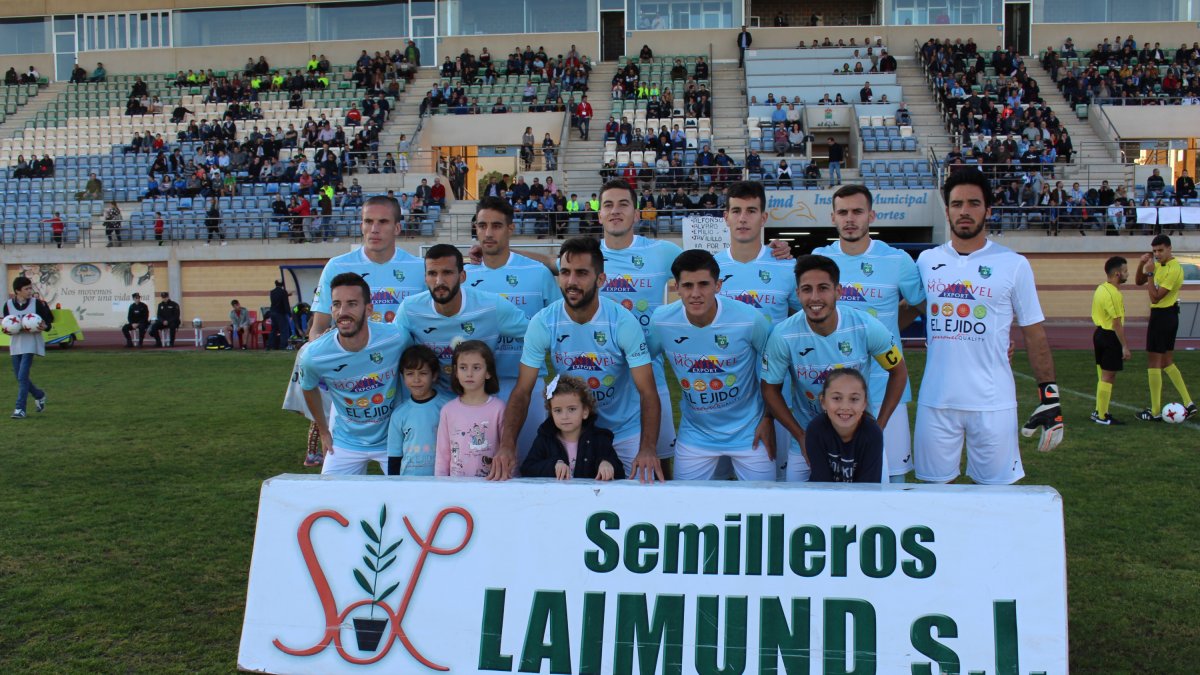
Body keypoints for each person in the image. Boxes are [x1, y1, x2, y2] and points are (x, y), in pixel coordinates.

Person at [915, 169, 1062, 485]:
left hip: (993, 403)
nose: (964, 211)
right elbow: (907, 309)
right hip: (936, 401)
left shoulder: (1014, 264)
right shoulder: (926, 261)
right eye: (957, 204)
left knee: (997, 498)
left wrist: (1050, 398)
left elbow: (1034, 334)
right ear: (947, 211)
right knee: (933, 497)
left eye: (973, 203)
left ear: (988, 210)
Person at [499, 237, 663, 482]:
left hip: (623, 430)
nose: (571, 281)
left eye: (582, 273)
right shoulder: (543, 322)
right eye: (565, 272)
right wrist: (506, 445)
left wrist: (648, 448)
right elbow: (523, 390)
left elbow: (647, 392)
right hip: (571, 432)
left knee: (638, 497)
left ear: (600, 279)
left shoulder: (623, 322)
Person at [761, 255, 907, 482]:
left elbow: (898, 371)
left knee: (873, 501)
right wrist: (800, 435)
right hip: (806, 438)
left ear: (838, 291)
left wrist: (878, 427)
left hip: (859, 437)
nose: (815, 297)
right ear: (798, 293)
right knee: (798, 504)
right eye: (807, 289)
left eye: (823, 288)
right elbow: (770, 389)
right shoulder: (783, 335)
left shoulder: (866, 326)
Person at [814, 185, 924, 482]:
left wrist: (888, 331)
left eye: (857, 212)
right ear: (833, 217)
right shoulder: (820, 258)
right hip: (834, 389)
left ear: (871, 216)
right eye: (843, 212)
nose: (850, 219)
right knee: (834, 474)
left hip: (886, 386)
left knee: (894, 476)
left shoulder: (897, 260)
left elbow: (919, 304)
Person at [647, 249, 775, 480]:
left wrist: (768, 418)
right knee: (685, 500)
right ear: (676, 287)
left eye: (703, 284)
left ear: (718, 285)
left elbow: (775, 368)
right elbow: (640, 360)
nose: (695, 294)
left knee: (764, 499)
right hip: (696, 434)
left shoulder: (750, 319)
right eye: (687, 286)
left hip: (749, 432)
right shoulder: (661, 320)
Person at [464, 197, 559, 453]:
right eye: (482, 226)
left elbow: (558, 326)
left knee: (530, 461)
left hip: (528, 384)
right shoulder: (464, 276)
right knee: (478, 462)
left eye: (496, 226)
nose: (488, 233)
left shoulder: (538, 273)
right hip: (477, 387)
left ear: (510, 228)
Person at [298, 272, 412, 474]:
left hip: (393, 439)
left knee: (409, 493)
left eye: (352, 304)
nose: (343, 312)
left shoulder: (396, 338)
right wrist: (323, 431)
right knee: (328, 493)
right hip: (345, 442)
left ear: (369, 309)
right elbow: (308, 387)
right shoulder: (314, 355)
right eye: (336, 304)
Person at [309, 196, 425, 340]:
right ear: (361, 226)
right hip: (354, 354)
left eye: (383, 222)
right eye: (368, 222)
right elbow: (317, 330)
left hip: (405, 354)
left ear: (397, 228)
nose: (374, 229)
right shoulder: (337, 267)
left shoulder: (421, 268)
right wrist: (322, 343)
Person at [1134, 235, 1196, 421]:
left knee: (1153, 363)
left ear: (1169, 249)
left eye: (1160, 250)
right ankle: (1189, 403)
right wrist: (1142, 264)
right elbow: (1138, 282)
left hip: (1162, 316)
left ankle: (1154, 412)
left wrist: (1150, 274)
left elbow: (1155, 298)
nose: (1157, 254)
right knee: (1167, 361)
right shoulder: (1158, 265)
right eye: (1154, 251)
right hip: (1168, 316)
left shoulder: (1174, 269)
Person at [521, 374, 624, 480]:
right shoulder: (545, 439)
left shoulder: (599, 439)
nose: (565, 416)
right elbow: (527, 469)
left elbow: (620, 472)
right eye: (558, 410)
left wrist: (607, 463)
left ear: (585, 411)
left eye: (572, 409)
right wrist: (553, 465)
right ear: (551, 413)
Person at [435, 340, 506, 477]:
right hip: (456, 486)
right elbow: (442, 456)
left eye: (476, 368)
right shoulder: (448, 410)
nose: (469, 373)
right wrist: (440, 484)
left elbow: (509, 451)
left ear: (488, 372)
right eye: (463, 367)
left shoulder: (499, 408)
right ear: (456, 372)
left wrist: (512, 481)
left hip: (492, 484)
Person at [805, 368, 884, 483]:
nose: (845, 407)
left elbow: (868, 487)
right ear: (823, 402)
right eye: (837, 398)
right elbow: (821, 482)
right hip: (824, 492)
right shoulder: (815, 429)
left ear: (864, 403)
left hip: (862, 493)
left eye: (854, 399)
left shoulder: (872, 433)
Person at [386, 344, 453, 476]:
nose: (416, 379)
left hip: (442, 480)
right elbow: (394, 456)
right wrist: (394, 483)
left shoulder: (447, 407)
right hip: (409, 481)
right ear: (403, 377)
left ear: (434, 376)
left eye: (423, 373)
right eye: (410, 374)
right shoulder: (399, 414)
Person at [4, 277, 53, 419]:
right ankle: (39, 395)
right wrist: (8, 330)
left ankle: (20, 409)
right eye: (26, 289)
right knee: (20, 377)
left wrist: (45, 326)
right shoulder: (7, 305)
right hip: (15, 345)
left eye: (30, 288)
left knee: (22, 376)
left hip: (30, 344)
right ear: (17, 291)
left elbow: (48, 323)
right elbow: (7, 325)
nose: (30, 291)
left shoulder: (36, 303)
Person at [1091, 256, 1131, 425]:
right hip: (1109, 337)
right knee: (1108, 376)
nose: (1127, 274)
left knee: (1104, 375)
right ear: (1117, 274)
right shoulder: (1114, 294)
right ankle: (1102, 416)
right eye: (1125, 271)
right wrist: (1124, 347)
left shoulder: (1101, 288)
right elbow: (1116, 323)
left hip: (1099, 334)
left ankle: (1100, 410)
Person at [268, 280, 291, 351]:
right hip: (280, 313)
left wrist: (287, 295)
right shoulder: (283, 292)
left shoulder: (272, 292)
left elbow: (277, 299)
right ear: (282, 285)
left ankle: (270, 345)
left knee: (274, 330)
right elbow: (286, 304)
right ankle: (283, 345)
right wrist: (289, 314)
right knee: (284, 330)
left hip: (272, 312)